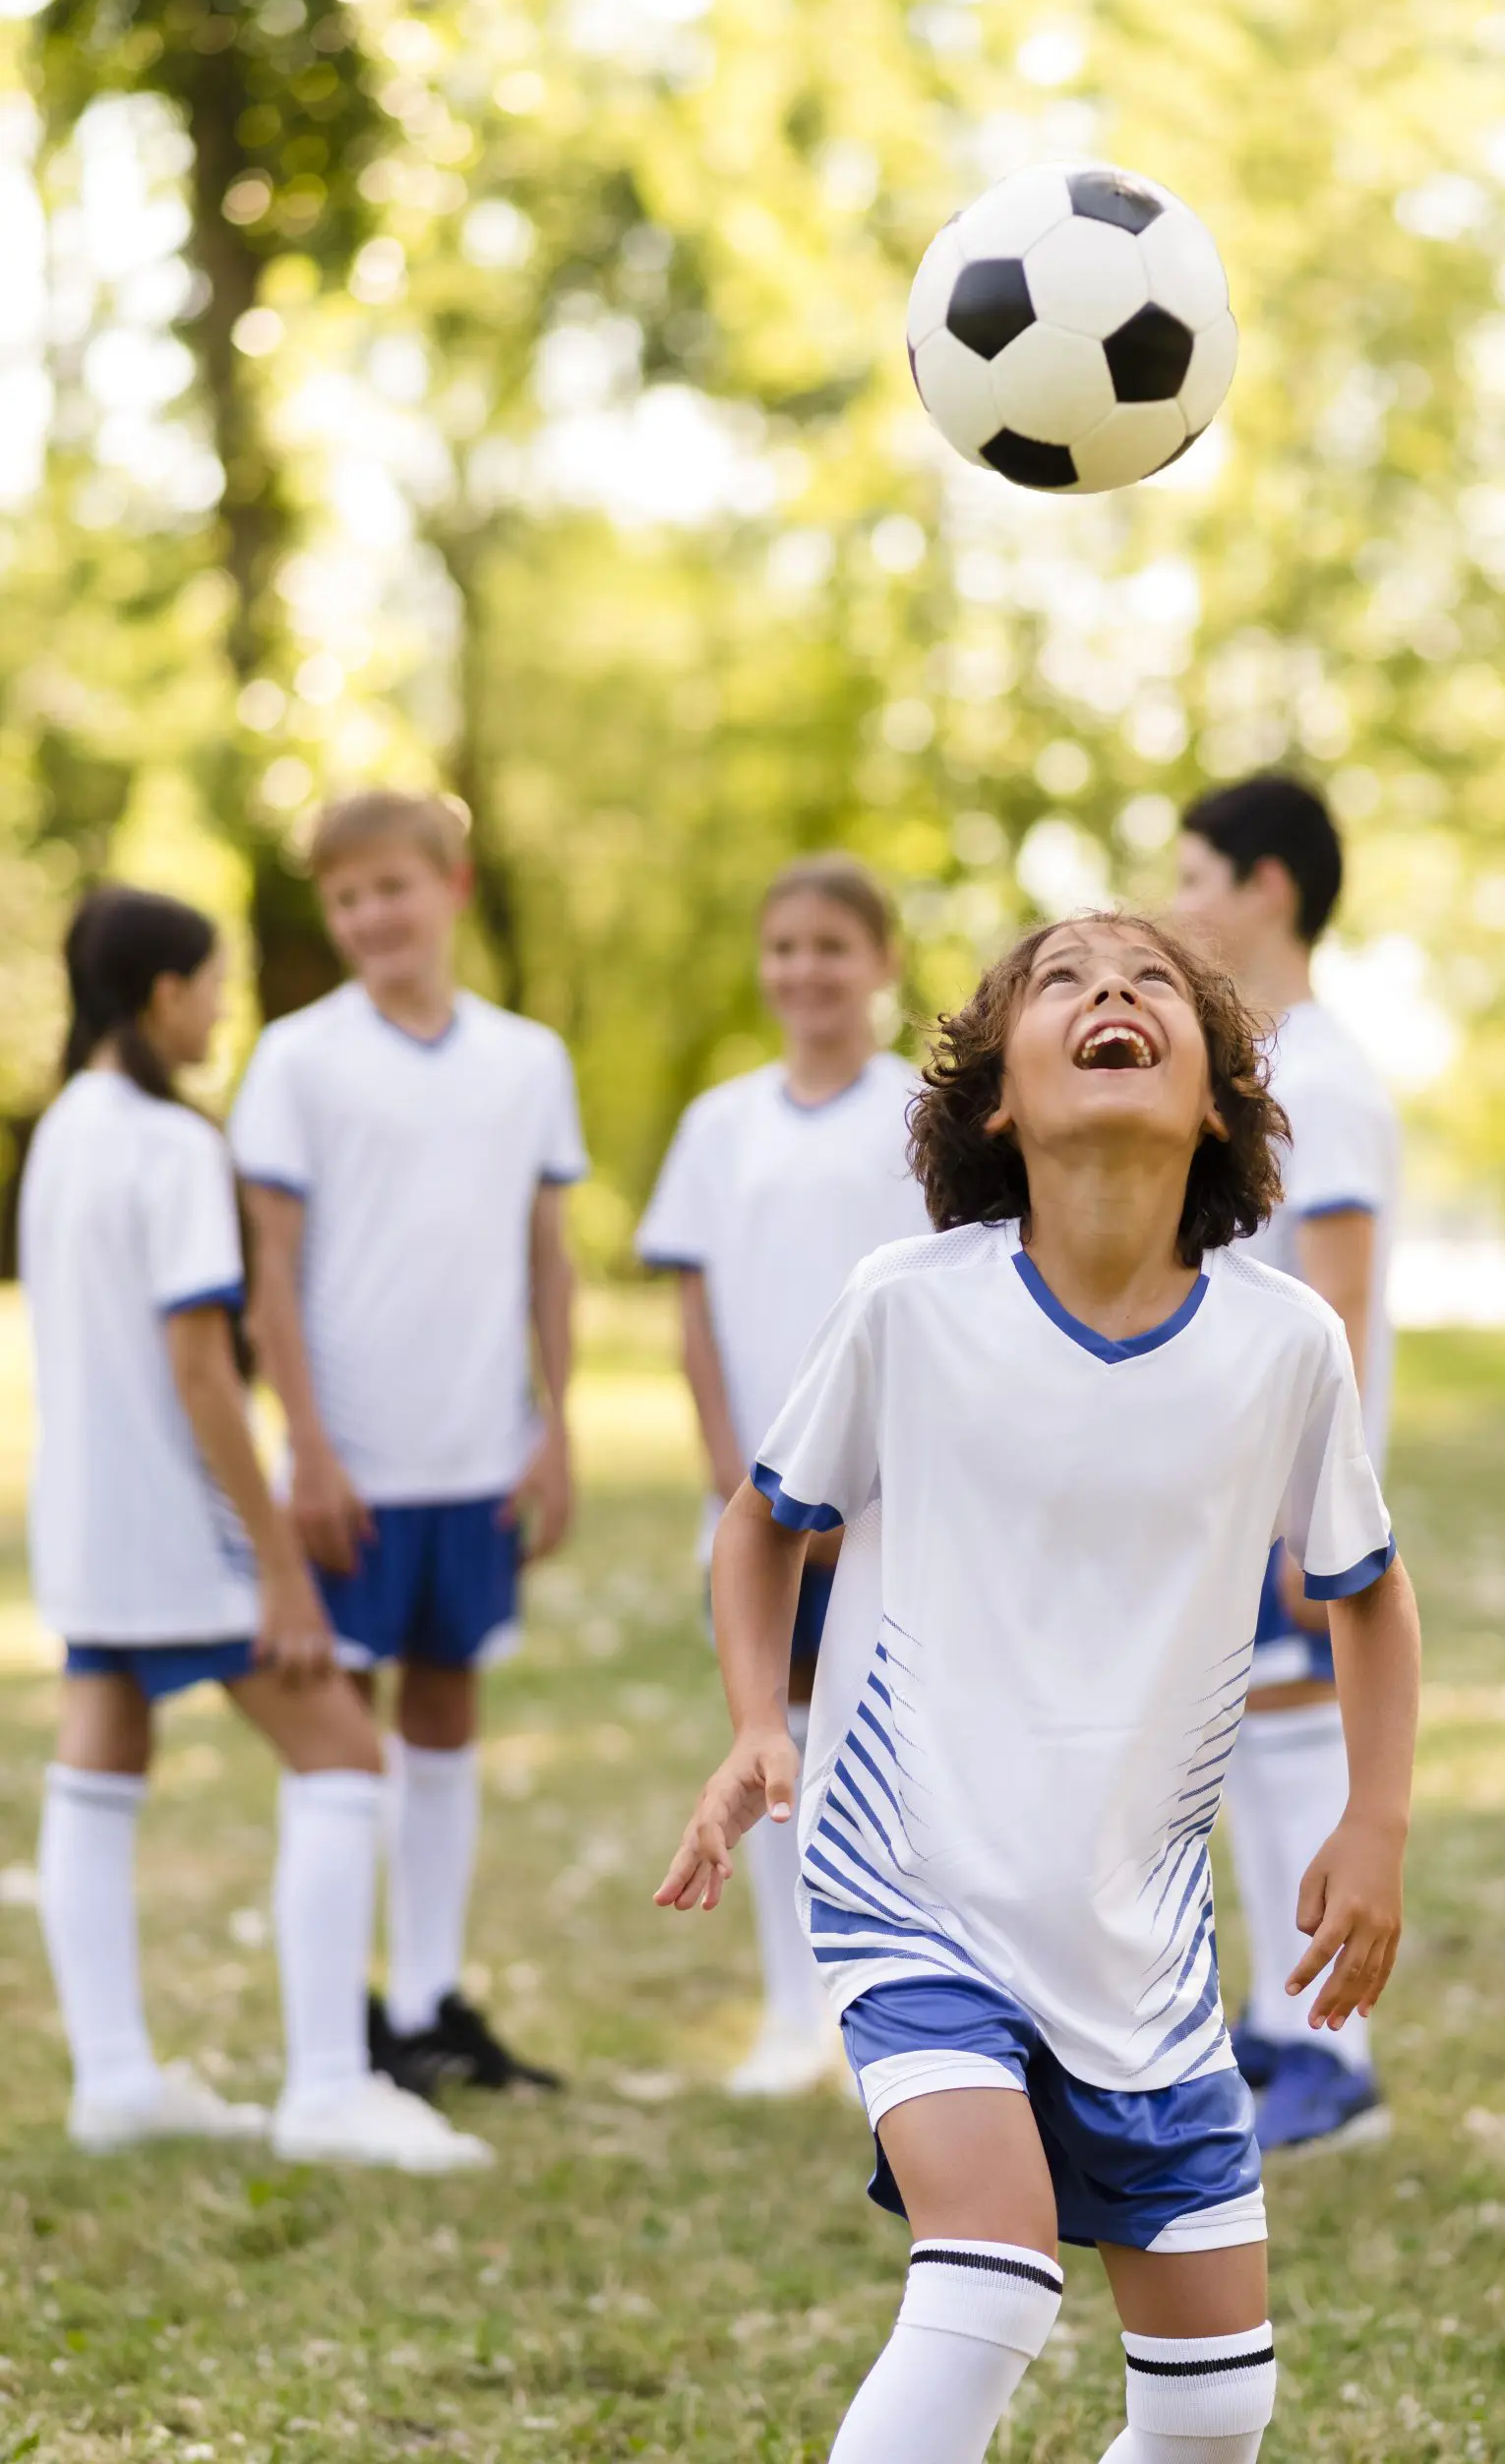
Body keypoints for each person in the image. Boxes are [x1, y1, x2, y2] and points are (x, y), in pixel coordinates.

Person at [657, 911, 1420, 2464]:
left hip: (1140, 1938)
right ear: (998, 1095)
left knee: (1215, 2412)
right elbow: (761, 1526)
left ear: (1215, 1098)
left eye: (1150, 984)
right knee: (990, 2280)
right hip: (911, 1885)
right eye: (1063, 981)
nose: (1111, 994)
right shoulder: (909, 1302)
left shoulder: (1285, 1345)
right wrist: (757, 1719)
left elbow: (1370, 1592)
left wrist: (1377, 1819)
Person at [22, 885, 488, 2171]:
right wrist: (278, 1565)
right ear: (164, 991)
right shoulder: (171, 1146)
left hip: (86, 1528)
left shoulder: (66, 1129)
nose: (222, 1007)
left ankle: (114, 2079)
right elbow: (201, 1371)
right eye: (212, 983)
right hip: (180, 1532)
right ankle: (328, 2087)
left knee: (97, 1768)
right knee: (345, 1760)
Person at [230, 792, 587, 2098]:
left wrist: (555, 1428)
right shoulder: (296, 1058)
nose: (371, 916)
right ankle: (340, 2023)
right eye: (345, 899)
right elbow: (268, 1266)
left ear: (453, 884)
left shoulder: (526, 1060)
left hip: (479, 1455)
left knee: (447, 1709)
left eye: (392, 887)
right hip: (353, 1467)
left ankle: (430, 2003)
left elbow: (548, 1260)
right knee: (342, 1734)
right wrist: (306, 1446)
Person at [636, 855, 932, 2095]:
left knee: (900, 1746)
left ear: (881, 964)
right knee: (771, 1745)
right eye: (783, 948)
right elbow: (695, 1309)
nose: (804, 970)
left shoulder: (922, 1113)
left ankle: (900, 2010)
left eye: (831, 946)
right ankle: (785, 2004)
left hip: (890, 1498)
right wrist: (739, 1477)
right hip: (766, 1498)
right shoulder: (720, 1124)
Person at [1174, 771, 1403, 2156]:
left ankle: (1338, 2059)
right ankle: (1276, 2023)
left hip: (1299, 1490)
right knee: (1254, 1746)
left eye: (1196, 874)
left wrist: (1316, 1502)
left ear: (1268, 887)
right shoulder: (1256, 1065)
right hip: (1237, 1486)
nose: (1178, 901)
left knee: (1303, 1745)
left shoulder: (1322, 1077)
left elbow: (1341, 1297)